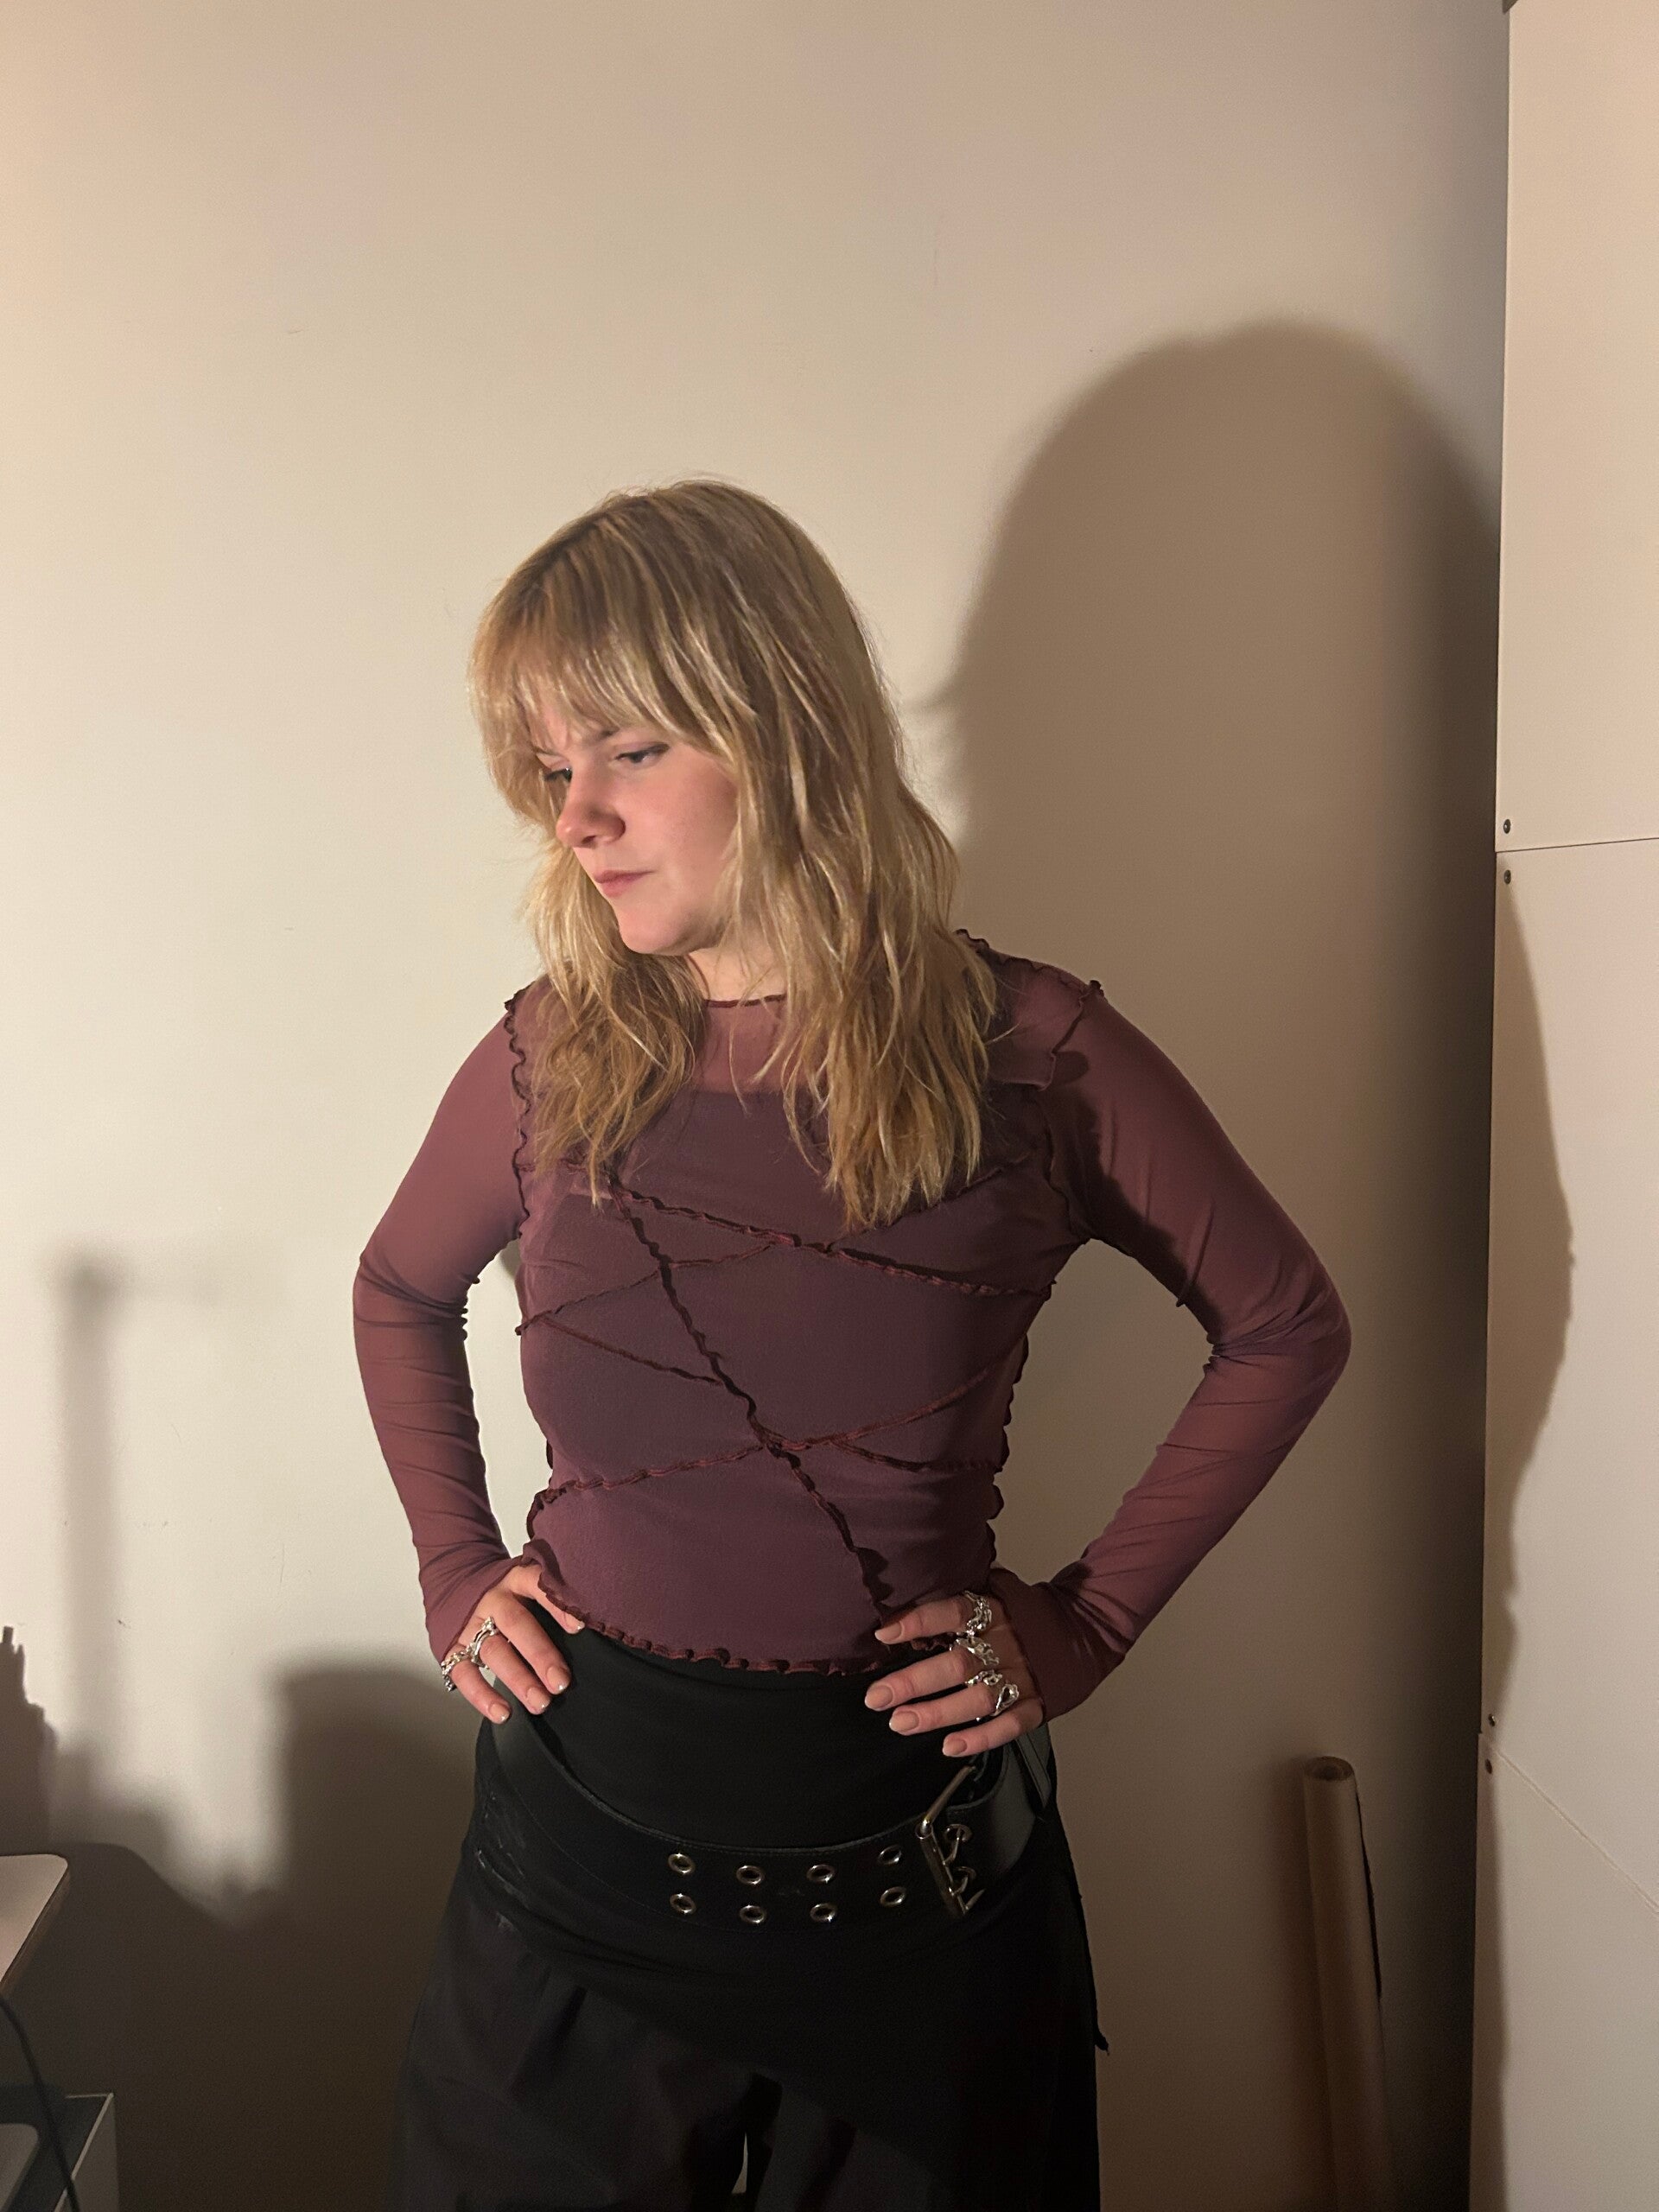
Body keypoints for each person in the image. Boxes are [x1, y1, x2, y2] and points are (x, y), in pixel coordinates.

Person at [352, 479, 1353, 2211]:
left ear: (787, 724)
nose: (577, 815)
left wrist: (1088, 1621)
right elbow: (395, 1289)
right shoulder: (549, 1055)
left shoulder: (1036, 1052)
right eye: (552, 765)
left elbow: (1285, 1324)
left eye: (631, 749)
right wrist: (455, 1567)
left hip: (919, 1902)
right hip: (577, 1875)